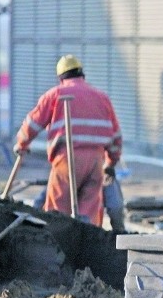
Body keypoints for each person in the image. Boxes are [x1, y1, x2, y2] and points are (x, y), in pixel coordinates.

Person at [14, 54, 122, 226]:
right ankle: (88, 245)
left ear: (61, 78)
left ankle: (59, 244)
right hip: (96, 161)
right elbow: (116, 137)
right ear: (82, 75)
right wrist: (111, 162)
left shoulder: (55, 94)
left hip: (66, 161)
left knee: (57, 211)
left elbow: (32, 123)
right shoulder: (102, 98)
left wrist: (22, 144)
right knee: (90, 212)